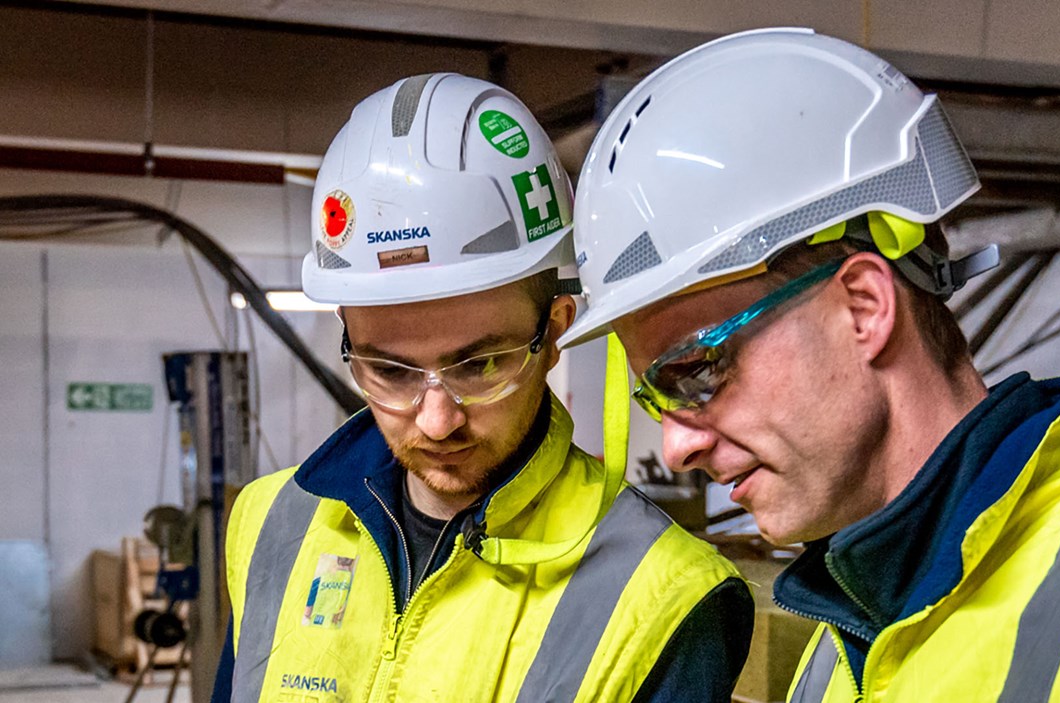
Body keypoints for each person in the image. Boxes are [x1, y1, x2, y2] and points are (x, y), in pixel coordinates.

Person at [559, 28, 1060, 703]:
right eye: (659, 398)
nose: (677, 448)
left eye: (699, 370)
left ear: (863, 307)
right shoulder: (842, 648)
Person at [212, 73, 753, 703]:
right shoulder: (270, 521)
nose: (437, 421)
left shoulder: (665, 595)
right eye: (390, 371)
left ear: (553, 332)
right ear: (347, 334)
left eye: (479, 366)